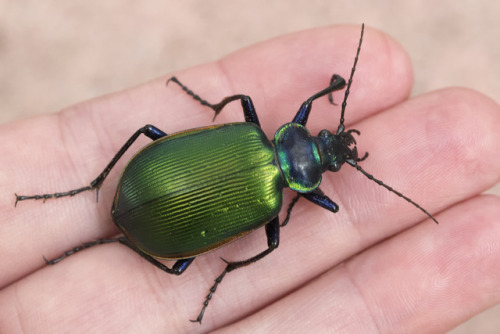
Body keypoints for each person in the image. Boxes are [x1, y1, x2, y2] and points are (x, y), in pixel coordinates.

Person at [1, 25, 499, 333]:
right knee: (187, 265)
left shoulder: (250, 133)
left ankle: (93, 208)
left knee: (152, 141)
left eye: (332, 156)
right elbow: (317, 214)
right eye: (330, 151)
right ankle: (95, 208)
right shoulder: (271, 201)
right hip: (148, 188)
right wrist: (227, 268)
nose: (334, 147)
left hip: (155, 192)